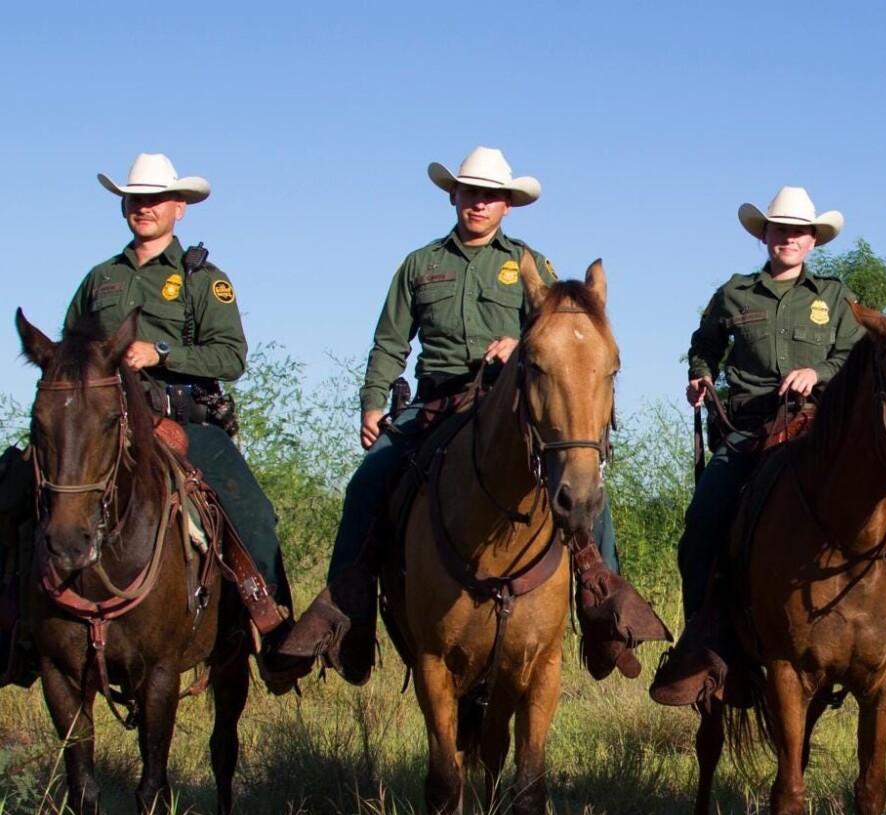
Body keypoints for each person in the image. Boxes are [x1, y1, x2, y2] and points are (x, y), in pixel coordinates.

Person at [279, 147, 656, 686]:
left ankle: (601, 608)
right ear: (453, 195)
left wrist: (521, 340)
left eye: (491, 196)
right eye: (470, 192)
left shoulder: (529, 263)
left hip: (505, 406)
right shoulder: (420, 265)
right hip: (435, 402)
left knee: (588, 489)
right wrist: (373, 400)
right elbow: (390, 341)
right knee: (366, 484)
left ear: (507, 205)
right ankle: (348, 618)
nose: (479, 203)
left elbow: (558, 336)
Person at [650, 187, 886, 707]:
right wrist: (700, 375)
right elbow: (705, 344)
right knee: (703, 522)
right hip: (750, 428)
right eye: (779, 228)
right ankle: (706, 640)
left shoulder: (834, 297)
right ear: (764, 235)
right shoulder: (735, 293)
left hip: (821, 426)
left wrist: (819, 371)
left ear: (812, 240)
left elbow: (861, 359)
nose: (788, 237)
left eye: (798, 231)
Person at [0, 152, 306, 691]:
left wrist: (160, 351)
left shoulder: (203, 280)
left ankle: (268, 624)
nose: (143, 208)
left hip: (178, 420)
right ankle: (14, 628)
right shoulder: (101, 278)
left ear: (179, 209)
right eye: (135, 199)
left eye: (155, 200)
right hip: (96, 424)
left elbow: (230, 357)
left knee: (250, 508)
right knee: (14, 490)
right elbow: (69, 354)